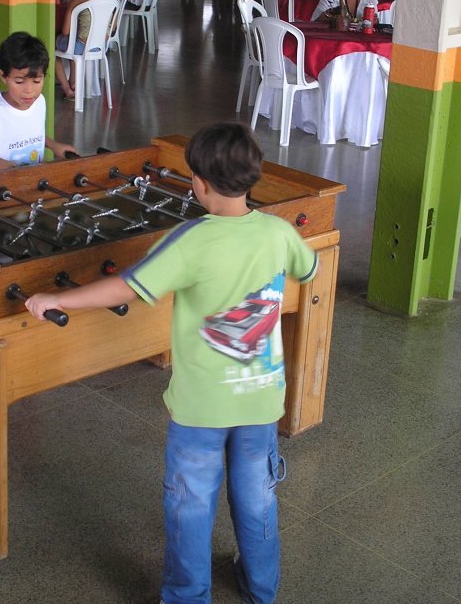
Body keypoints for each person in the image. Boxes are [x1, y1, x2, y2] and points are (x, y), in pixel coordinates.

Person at [24, 122, 318, 604]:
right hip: (262, 401)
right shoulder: (279, 232)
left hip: (201, 408)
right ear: (253, 178)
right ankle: (262, 589)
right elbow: (310, 268)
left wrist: (58, 298)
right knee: (258, 497)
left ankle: (187, 597)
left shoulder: (189, 240)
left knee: (190, 505)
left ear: (199, 184)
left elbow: (126, 287)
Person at [0, 32, 75, 171]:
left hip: (30, 182)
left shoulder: (39, 102)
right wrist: (4, 166)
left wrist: (54, 145)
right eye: (19, 81)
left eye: (37, 81)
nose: (29, 90)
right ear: (3, 76)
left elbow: (32, 135)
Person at [54, 0, 115, 101]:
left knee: (50, 46)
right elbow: (113, 28)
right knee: (71, 43)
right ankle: (73, 83)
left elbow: (66, 30)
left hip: (81, 45)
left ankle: (68, 89)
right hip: (101, 45)